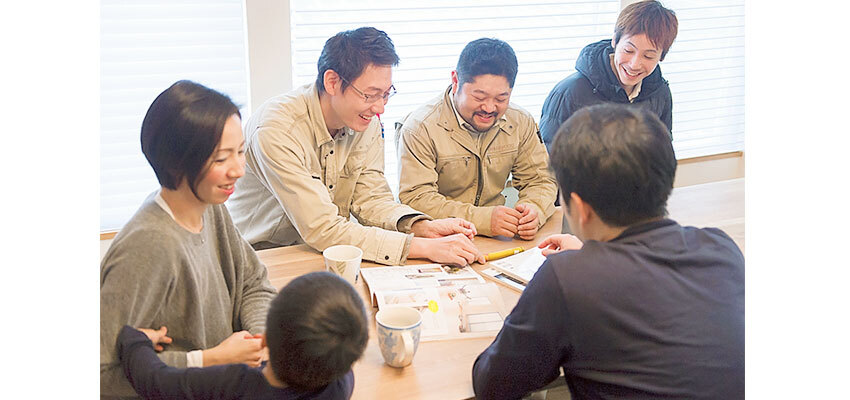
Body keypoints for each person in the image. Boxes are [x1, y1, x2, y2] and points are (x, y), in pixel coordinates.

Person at [472, 104, 744, 399]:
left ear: (580, 207)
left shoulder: (568, 278)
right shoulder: (721, 249)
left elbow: (493, 385)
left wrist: (580, 267)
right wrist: (592, 256)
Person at [226, 27, 485, 267]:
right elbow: (322, 228)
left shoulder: (364, 120)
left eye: (386, 94)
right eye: (370, 95)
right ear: (332, 82)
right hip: (262, 256)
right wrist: (423, 247)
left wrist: (422, 227)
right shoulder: (278, 129)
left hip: (328, 250)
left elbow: (371, 199)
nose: (380, 107)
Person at [101, 80, 277, 398]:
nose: (239, 170)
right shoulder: (149, 246)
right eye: (221, 159)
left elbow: (253, 282)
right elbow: (103, 377)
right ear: (177, 163)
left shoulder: (210, 206)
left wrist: (260, 339)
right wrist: (208, 360)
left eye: (240, 152)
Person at [396, 38, 557, 240]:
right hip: (440, 240)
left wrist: (535, 210)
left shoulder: (520, 121)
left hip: (497, 240)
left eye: (501, 98)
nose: (489, 108)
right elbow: (416, 198)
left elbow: (541, 179)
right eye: (479, 97)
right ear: (455, 81)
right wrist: (483, 220)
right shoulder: (421, 127)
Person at [116, 271, 367, 399]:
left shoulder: (235, 384)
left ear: (265, 338)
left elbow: (156, 381)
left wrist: (135, 341)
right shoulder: (340, 384)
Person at [538, 0, 678, 150]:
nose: (634, 64)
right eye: (628, 51)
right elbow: (548, 161)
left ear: (661, 57)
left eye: (649, 56)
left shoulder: (660, 93)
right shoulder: (570, 92)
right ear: (615, 41)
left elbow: (662, 155)